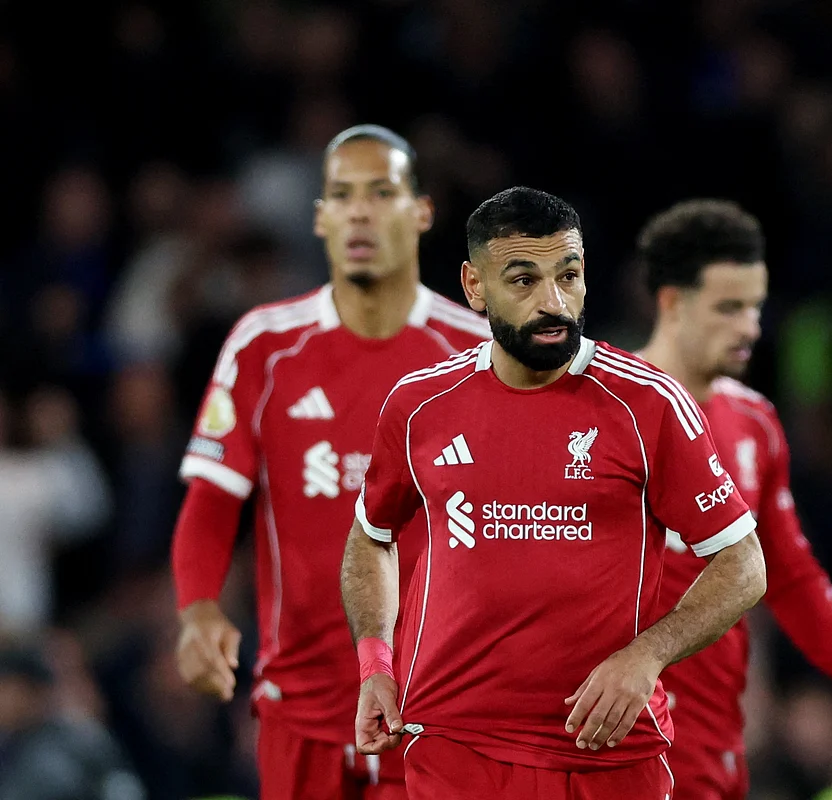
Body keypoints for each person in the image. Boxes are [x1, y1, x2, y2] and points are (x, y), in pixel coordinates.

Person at [340, 186, 767, 800]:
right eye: (524, 281)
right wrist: (376, 664)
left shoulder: (647, 404)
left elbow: (743, 563)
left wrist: (646, 657)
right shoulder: (419, 406)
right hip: (455, 743)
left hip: (607, 747)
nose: (554, 302)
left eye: (568, 276)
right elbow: (372, 536)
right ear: (475, 286)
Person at [170, 125, 490, 800]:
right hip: (301, 708)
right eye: (342, 195)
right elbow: (212, 501)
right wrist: (198, 608)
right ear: (320, 218)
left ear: (422, 211)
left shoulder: (478, 353)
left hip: (437, 708)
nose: (360, 213)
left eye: (381, 192)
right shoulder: (264, 346)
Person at [635, 198, 832, 800]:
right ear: (672, 303)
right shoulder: (598, 410)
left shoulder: (755, 422)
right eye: (729, 308)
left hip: (715, 728)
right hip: (615, 730)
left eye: (755, 307)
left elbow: (788, 572)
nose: (750, 328)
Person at [0, 640, 146, 800]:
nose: (3, 700)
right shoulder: (11, 744)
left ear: (34, 691)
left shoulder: (81, 740)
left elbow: (123, 788)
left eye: (8, 690)